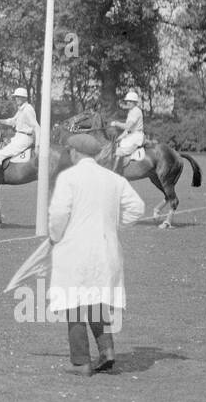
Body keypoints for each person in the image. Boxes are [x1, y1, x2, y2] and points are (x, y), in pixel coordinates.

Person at [48, 150, 146, 376]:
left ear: (74, 153)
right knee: (95, 300)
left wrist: (55, 236)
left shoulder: (69, 177)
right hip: (106, 250)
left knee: (72, 304)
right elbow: (137, 208)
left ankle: (81, 362)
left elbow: (59, 213)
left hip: (76, 250)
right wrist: (114, 225)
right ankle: (107, 351)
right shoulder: (114, 179)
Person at [0, 88, 38, 168]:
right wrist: (0, 121)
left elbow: (36, 126)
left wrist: (38, 145)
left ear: (24, 97)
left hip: (25, 138)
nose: (16, 99)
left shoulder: (28, 109)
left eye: (19, 97)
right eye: (16, 97)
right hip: (18, 137)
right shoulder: (21, 109)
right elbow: (13, 121)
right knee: (1, 149)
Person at [110, 89, 144, 177]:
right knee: (115, 146)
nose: (128, 103)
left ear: (134, 102)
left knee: (118, 151)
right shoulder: (131, 111)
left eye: (130, 101)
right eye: (127, 101)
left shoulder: (136, 111)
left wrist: (116, 123)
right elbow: (128, 130)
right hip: (131, 135)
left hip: (136, 137)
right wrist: (121, 136)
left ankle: (115, 173)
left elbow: (128, 126)